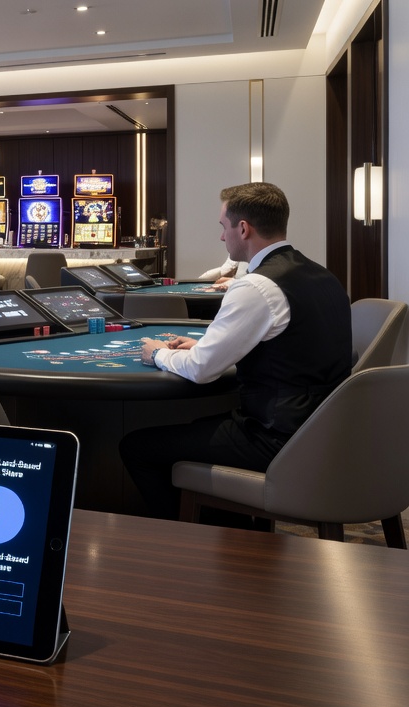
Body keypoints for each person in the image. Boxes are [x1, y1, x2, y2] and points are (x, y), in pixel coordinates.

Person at [119, 182, 352, 523]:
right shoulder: (323, 275)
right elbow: (292, 346)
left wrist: (156, 354)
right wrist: (204, 346)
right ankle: (234, 539)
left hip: (278, 438)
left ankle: (184, 547)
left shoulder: (256, 286)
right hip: (322, 432)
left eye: (222, 226)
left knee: (137, 447)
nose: (221, 237)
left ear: (243, 228)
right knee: (200, 426)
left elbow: (201, 370)